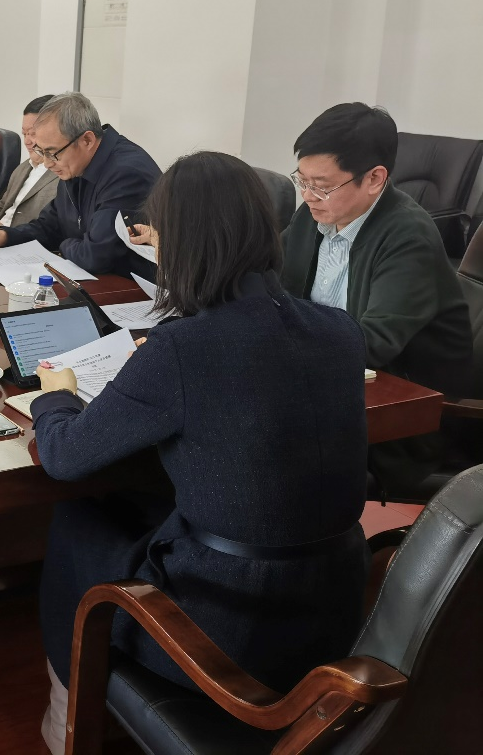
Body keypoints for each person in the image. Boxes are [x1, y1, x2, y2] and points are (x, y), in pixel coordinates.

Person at [30, 152, 370, 754]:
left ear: (182, 244)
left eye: (158, 234)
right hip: (334, 608)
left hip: (231, 631)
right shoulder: (339, 330)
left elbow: (63, 457)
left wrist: (55, 397)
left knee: (78, 520)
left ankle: (67, 713)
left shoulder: (182, 348)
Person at [280, 103, 474, 490]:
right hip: (330, 388)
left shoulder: (408, 237)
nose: (308, 195)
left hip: (400, 421)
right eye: (302, 180)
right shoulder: (314, 215)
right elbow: (271, 287)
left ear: (374, 178)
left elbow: (372, 341)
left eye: (321, 185)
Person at [0, 92, 159, 276]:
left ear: (87, 140)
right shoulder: (75, 164)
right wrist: (4, 236)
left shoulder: (126, 173)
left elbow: (94, 257)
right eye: (42, 152)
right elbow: (49, 226)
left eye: (52, 153)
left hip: (128, 290)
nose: (47, 163)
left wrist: (64, 243)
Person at [0, 95, 60, 228]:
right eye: (24, 134)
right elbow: (3, 205)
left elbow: (48, 226)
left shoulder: (62, 174)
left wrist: (4, 232)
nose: (27, 141)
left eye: (33, 134)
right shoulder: (23, 168)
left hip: (18, 236)